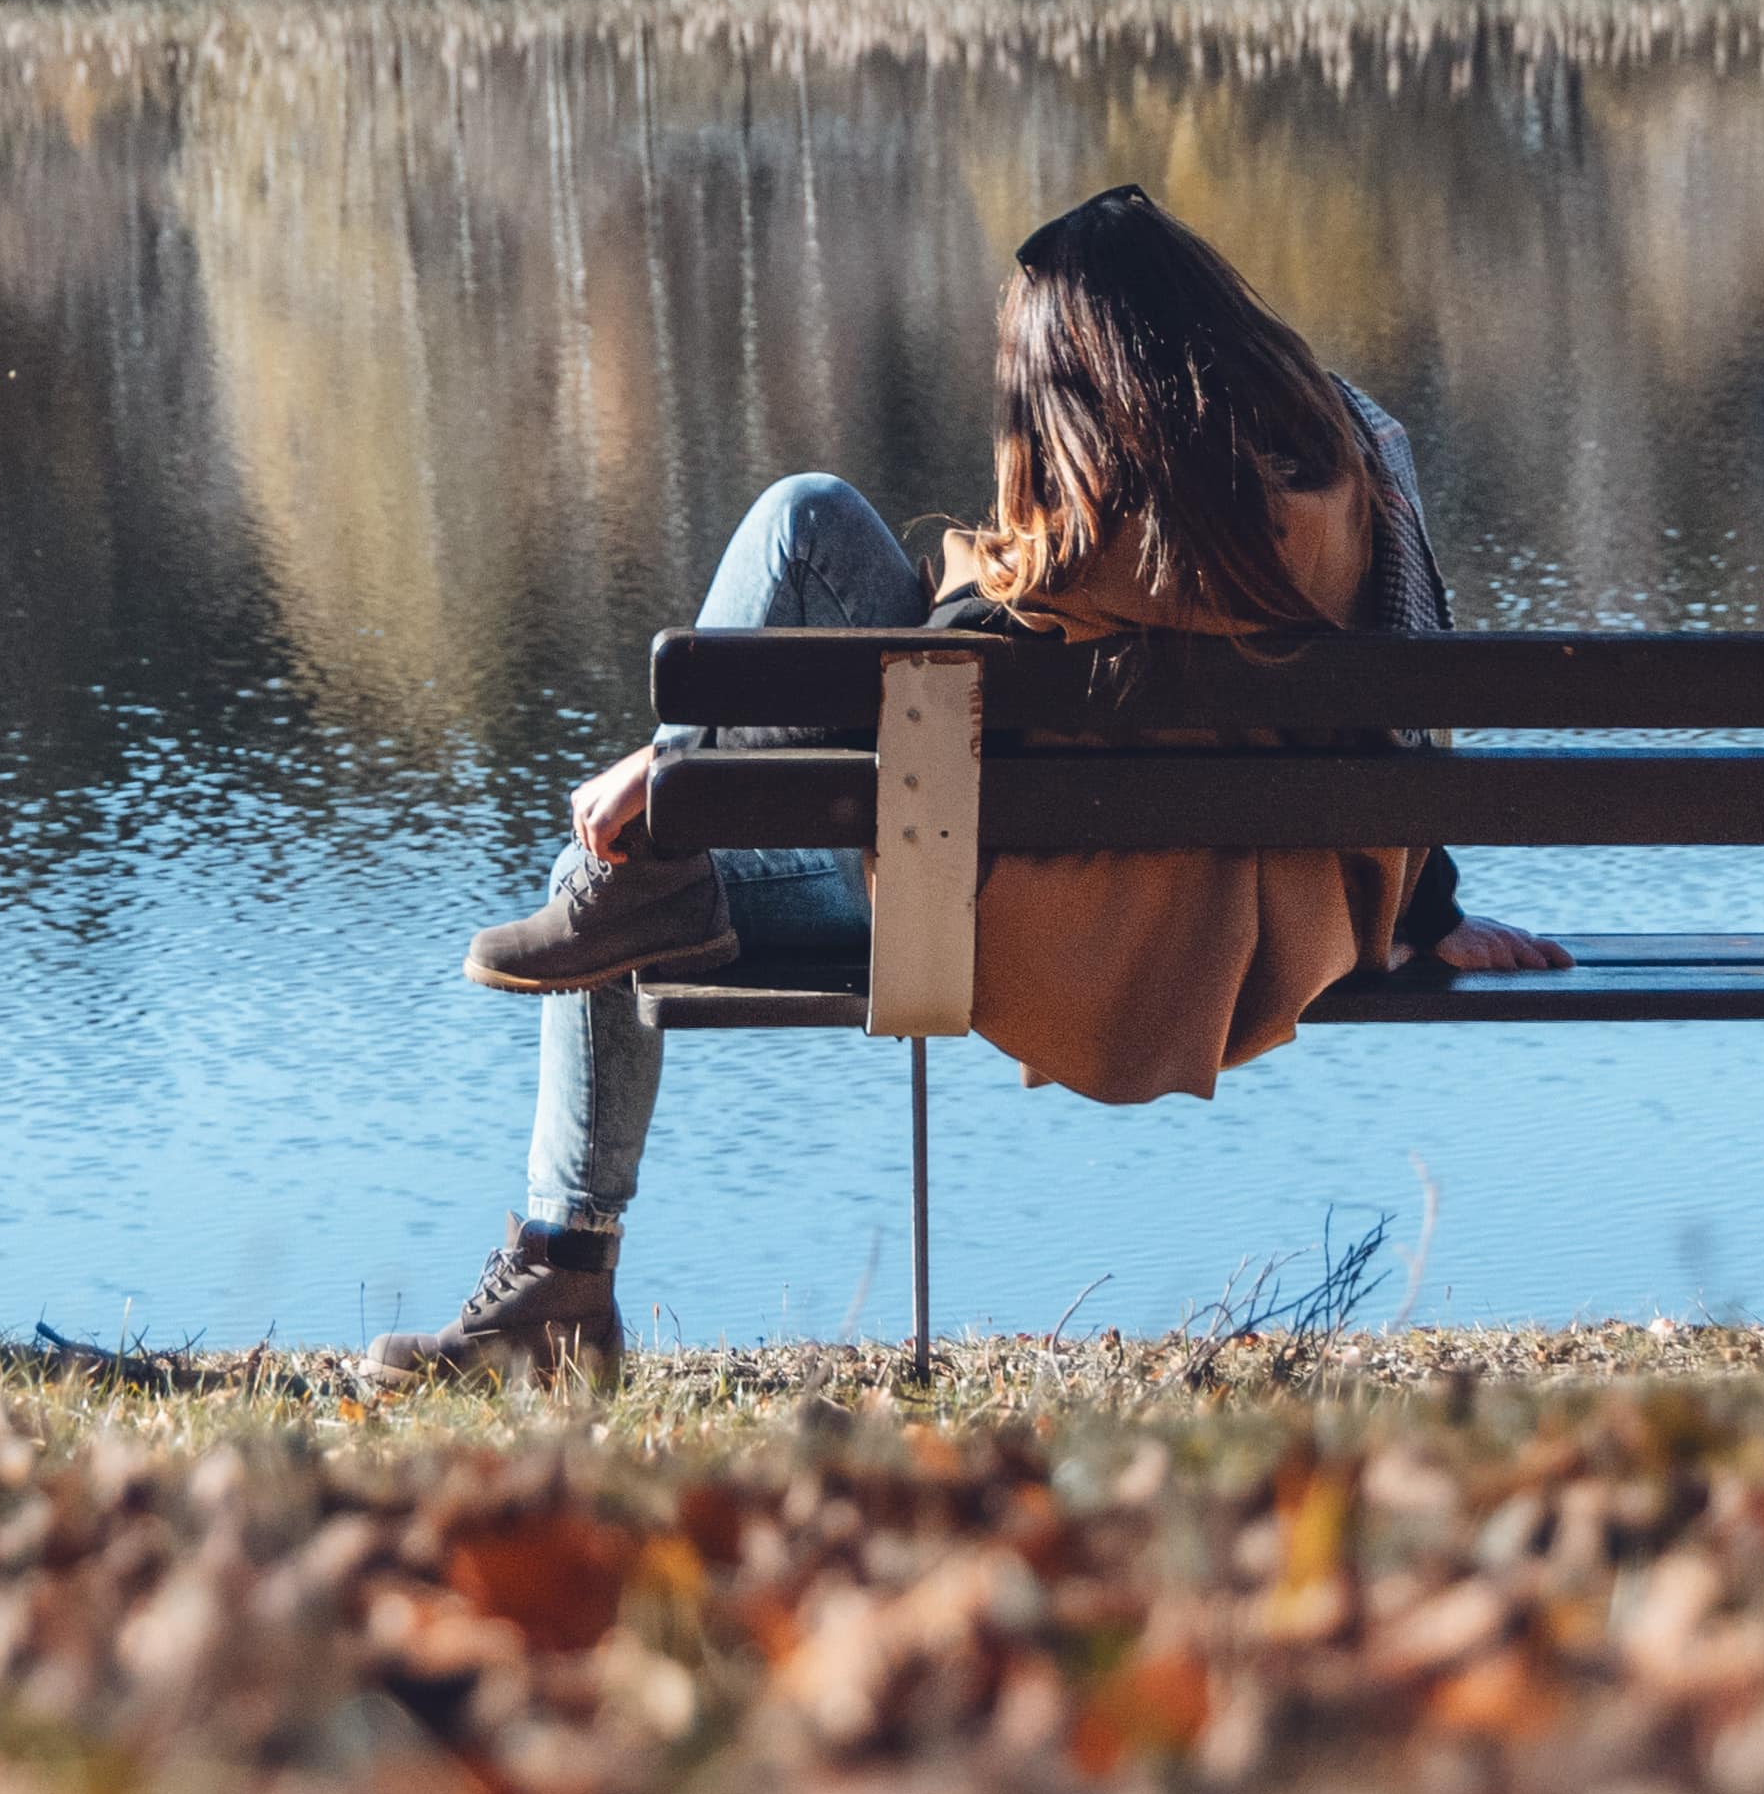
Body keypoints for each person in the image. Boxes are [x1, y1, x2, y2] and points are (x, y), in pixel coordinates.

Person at [374, 180, 1566, 1379]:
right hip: (1290, 926)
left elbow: (948, 667)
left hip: (1042, 934)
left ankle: (557, 1279)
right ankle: (660, 854)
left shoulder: (1109, 530)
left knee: (771, 585)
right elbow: (1407, 712)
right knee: (666, 840)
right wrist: (1425, 906)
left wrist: (673, 774)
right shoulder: (1354, 462)